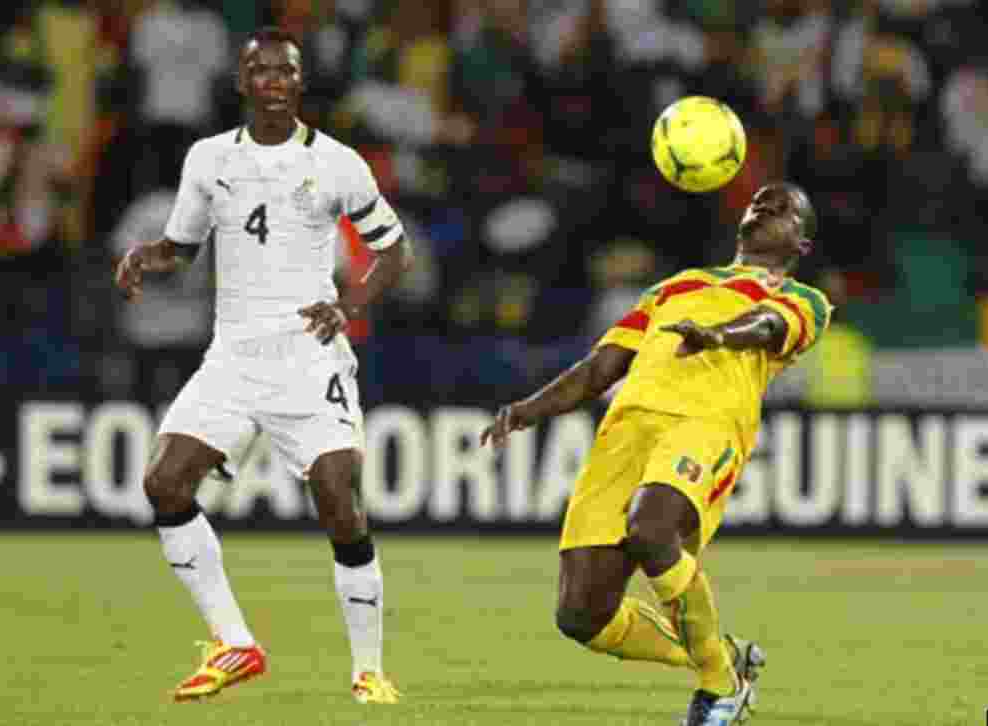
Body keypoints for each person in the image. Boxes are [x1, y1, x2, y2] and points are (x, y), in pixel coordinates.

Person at [114, 27, 411, 704]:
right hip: (233, 359)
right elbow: (184, 247)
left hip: (308, 359)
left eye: (286, 72)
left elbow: (395, 252)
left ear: (301, 83)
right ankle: (235, 643)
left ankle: (369, 670)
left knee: (340, 501)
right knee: (164, 483)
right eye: (261, 72)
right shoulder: (209, 159)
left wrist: (351, 300)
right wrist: (146, 255)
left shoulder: (338, 164)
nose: (274, 82)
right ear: (241, 83)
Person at [481, 183, 831, 726]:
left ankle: (721, 686)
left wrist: (716, 336)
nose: (766, 207)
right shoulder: (674, 287)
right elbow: (602, 367)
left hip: (706, 423)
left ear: (802, 243)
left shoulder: (804, 299)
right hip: (625, 430)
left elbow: (768, 328)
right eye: (760, 201)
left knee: (651, 529)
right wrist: (529, 408)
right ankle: (723, 651)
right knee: (581, 615)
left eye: (784, 208)